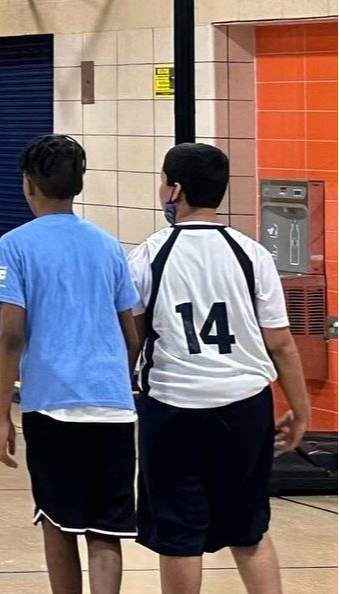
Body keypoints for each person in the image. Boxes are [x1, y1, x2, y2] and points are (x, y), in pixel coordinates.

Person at [128, 143, 310, 594]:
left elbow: (131, 340)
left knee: (179, 538)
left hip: (172, 407)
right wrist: (301, 411)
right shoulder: (253, 254)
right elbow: (282, 344)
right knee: (249, 531)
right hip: (244, 409)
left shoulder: (149, 255)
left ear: (175, 190)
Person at [0, 134, 140, 594]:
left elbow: (11, 334)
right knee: (106, 529)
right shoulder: (109, 245)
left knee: (58, 521)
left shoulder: (15, 245)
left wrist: (1, 414)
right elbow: (130, 335)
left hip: (53, 405)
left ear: (28, 185)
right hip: (113, 405)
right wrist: (113, 377)